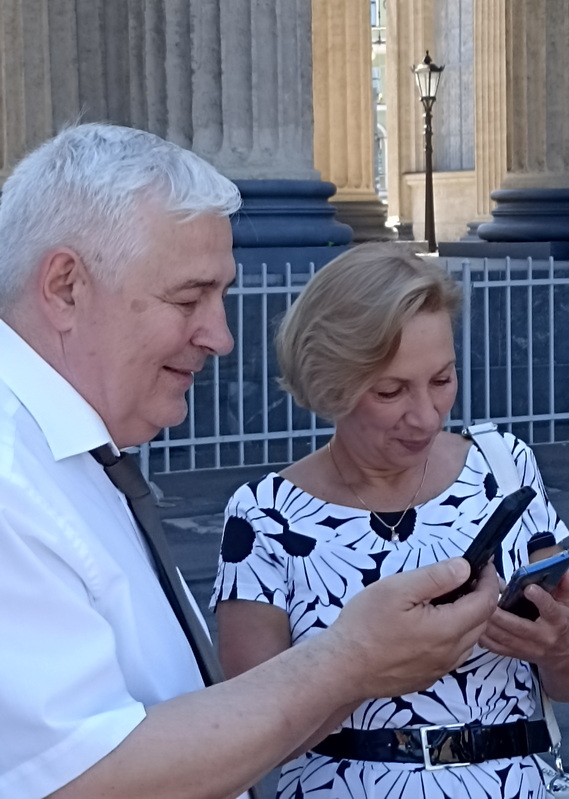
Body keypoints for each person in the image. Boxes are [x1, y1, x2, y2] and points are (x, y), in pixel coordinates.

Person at [0, 124, 500, 799]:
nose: (221, 336)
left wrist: (360, 664)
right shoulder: (11, 479)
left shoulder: (59, 459)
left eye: (222, 297)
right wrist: (350, 658)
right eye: (189, 298)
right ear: (66, 287)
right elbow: (80, 777)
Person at [211, 243, 569, 799]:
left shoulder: (504, 464)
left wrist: (558, 648)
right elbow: (244, 740)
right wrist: (372, 665)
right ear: (331, 383)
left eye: (442, 380)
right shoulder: (265, 517)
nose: (426, 417)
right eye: (391, 391)